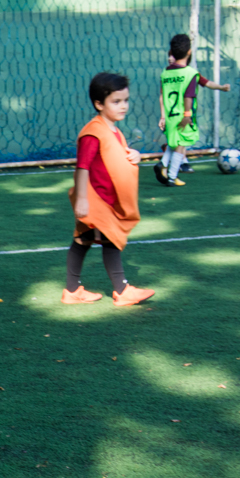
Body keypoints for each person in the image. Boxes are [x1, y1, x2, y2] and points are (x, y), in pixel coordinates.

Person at [64, 72, 155, 307]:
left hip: (105, 200)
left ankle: (72, 290)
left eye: (125, 100)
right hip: (96, 201)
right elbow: (82, 167)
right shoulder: (93, 132)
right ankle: (122, 290)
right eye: (116, 101)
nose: (123, 106)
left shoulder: (113, 130)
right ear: (98, 104)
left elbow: (115, 158)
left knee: (82, 240)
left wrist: (133, 155)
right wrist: (82, 199)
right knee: (111, 242)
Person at [154, 34, 231, 187]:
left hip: (170, 116)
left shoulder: (165, 73)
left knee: (174, 141)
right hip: (183, 115)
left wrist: (163, 116)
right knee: (181, 144)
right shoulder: (190, 74)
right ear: (189, 52)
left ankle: (162, 164)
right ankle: (172, 177)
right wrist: (187, 115)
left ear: (172, 53)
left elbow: (162, 96)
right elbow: (191, 95)